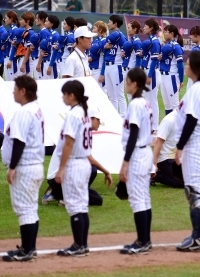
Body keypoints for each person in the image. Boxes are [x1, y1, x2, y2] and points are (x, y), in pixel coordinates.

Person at [174, 51, 200, 252]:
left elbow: (191, 120)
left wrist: (180, 146)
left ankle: (199, 237)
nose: (185, 65)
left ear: (196, 68)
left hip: (197, 144)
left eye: (188, 63)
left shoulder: (198, 89)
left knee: (195, 194)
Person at [0, 75, 43, 261]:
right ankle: (30, 248)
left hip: (25, 166)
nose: (13, 92)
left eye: (16, 89)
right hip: (34, 165)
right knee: (30, 209)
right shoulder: (35, 109)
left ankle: (26, 250)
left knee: (24, 209)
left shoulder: (24, 112)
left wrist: (12, 167)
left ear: (23, 91)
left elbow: (19, 142)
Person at [54, 81, 93, 257]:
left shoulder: (73, 115)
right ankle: (82, 245)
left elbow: (68, 144)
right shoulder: (83, 113)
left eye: (64, 94)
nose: (62, 97)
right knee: (82, 205)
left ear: (72, 95)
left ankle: (78, 245)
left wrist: (60, 169)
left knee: (75, 206)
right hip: (84, 162)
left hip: (74, 164)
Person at [119, 68, 154, 255]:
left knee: (138, 200)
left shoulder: (135, 105)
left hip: (138, 154)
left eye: (127, 81)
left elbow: (133, 134)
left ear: (134, 84)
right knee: (144, 198)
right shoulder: (144, 102)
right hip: (144, 152)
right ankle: (145, 240)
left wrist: (125, 162)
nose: (126, 84)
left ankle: (142, 242)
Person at [99, 14, 128, 117]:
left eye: (110, 22)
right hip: (108, 66)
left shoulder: (119, 35)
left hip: (117, 66)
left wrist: (124, 54)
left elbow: (126, 47)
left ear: (115, 24)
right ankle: (114, 116)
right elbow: (103, 47)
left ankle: (124, 117)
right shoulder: (113, 36)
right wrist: (105, 47)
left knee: (119, 95)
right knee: (111, 96)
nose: (108, 23)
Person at [151, 109, 184, 188]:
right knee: (182, 182)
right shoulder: (169, 120)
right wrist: (154, 165)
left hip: (176, 158)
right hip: (165, 159)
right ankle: (155, 176)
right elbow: (158, 142)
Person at [140, 18, 161, 132]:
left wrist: (149, 75)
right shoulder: (150, 40)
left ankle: (154, 126)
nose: (144, 28)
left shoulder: (155, 41)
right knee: (146, 99)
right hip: (146, 71)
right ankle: (148, 124)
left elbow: (153, 61)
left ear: (151, 28)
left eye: (146, 26)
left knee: (152, 100)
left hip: (151, 72)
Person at [159, 24, 184, 114]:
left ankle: (178, 127)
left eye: (165, 32)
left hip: (171, 76)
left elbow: (180, 64)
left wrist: (181, 80)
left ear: (172, 33)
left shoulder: (176, 46)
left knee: (175, 105)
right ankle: (169, 127)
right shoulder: (167, 45)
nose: (164, 34)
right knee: (167, 105)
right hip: (163, 76)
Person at [9, 12, 34, 79]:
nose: (20, 21)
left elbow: (29, 49)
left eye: (22, 19)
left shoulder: (30, 32)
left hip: (26, 59)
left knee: (23, 80)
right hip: (22, 58)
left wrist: (23, 64)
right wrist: (15, 44)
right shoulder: (24, 31)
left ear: (28, 21)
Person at [1, 10, 18, 79]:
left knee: (12, 81)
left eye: (6, 18)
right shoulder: (11, 29)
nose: (4, 20)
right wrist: (4, 46)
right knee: (8, 81)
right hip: (7, 57)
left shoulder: (15, 30)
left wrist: (10, 60)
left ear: (11, 19)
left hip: (11, 58)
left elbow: (14, 46)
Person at [90, 21, 107, 85]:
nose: (92, 30)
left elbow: (105, 58)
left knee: (101, 93)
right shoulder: (95, 41)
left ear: (100, 30)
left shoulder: (104, 41)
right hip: (91, 69)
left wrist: (102, 74)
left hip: (98, 70)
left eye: (94, 28)